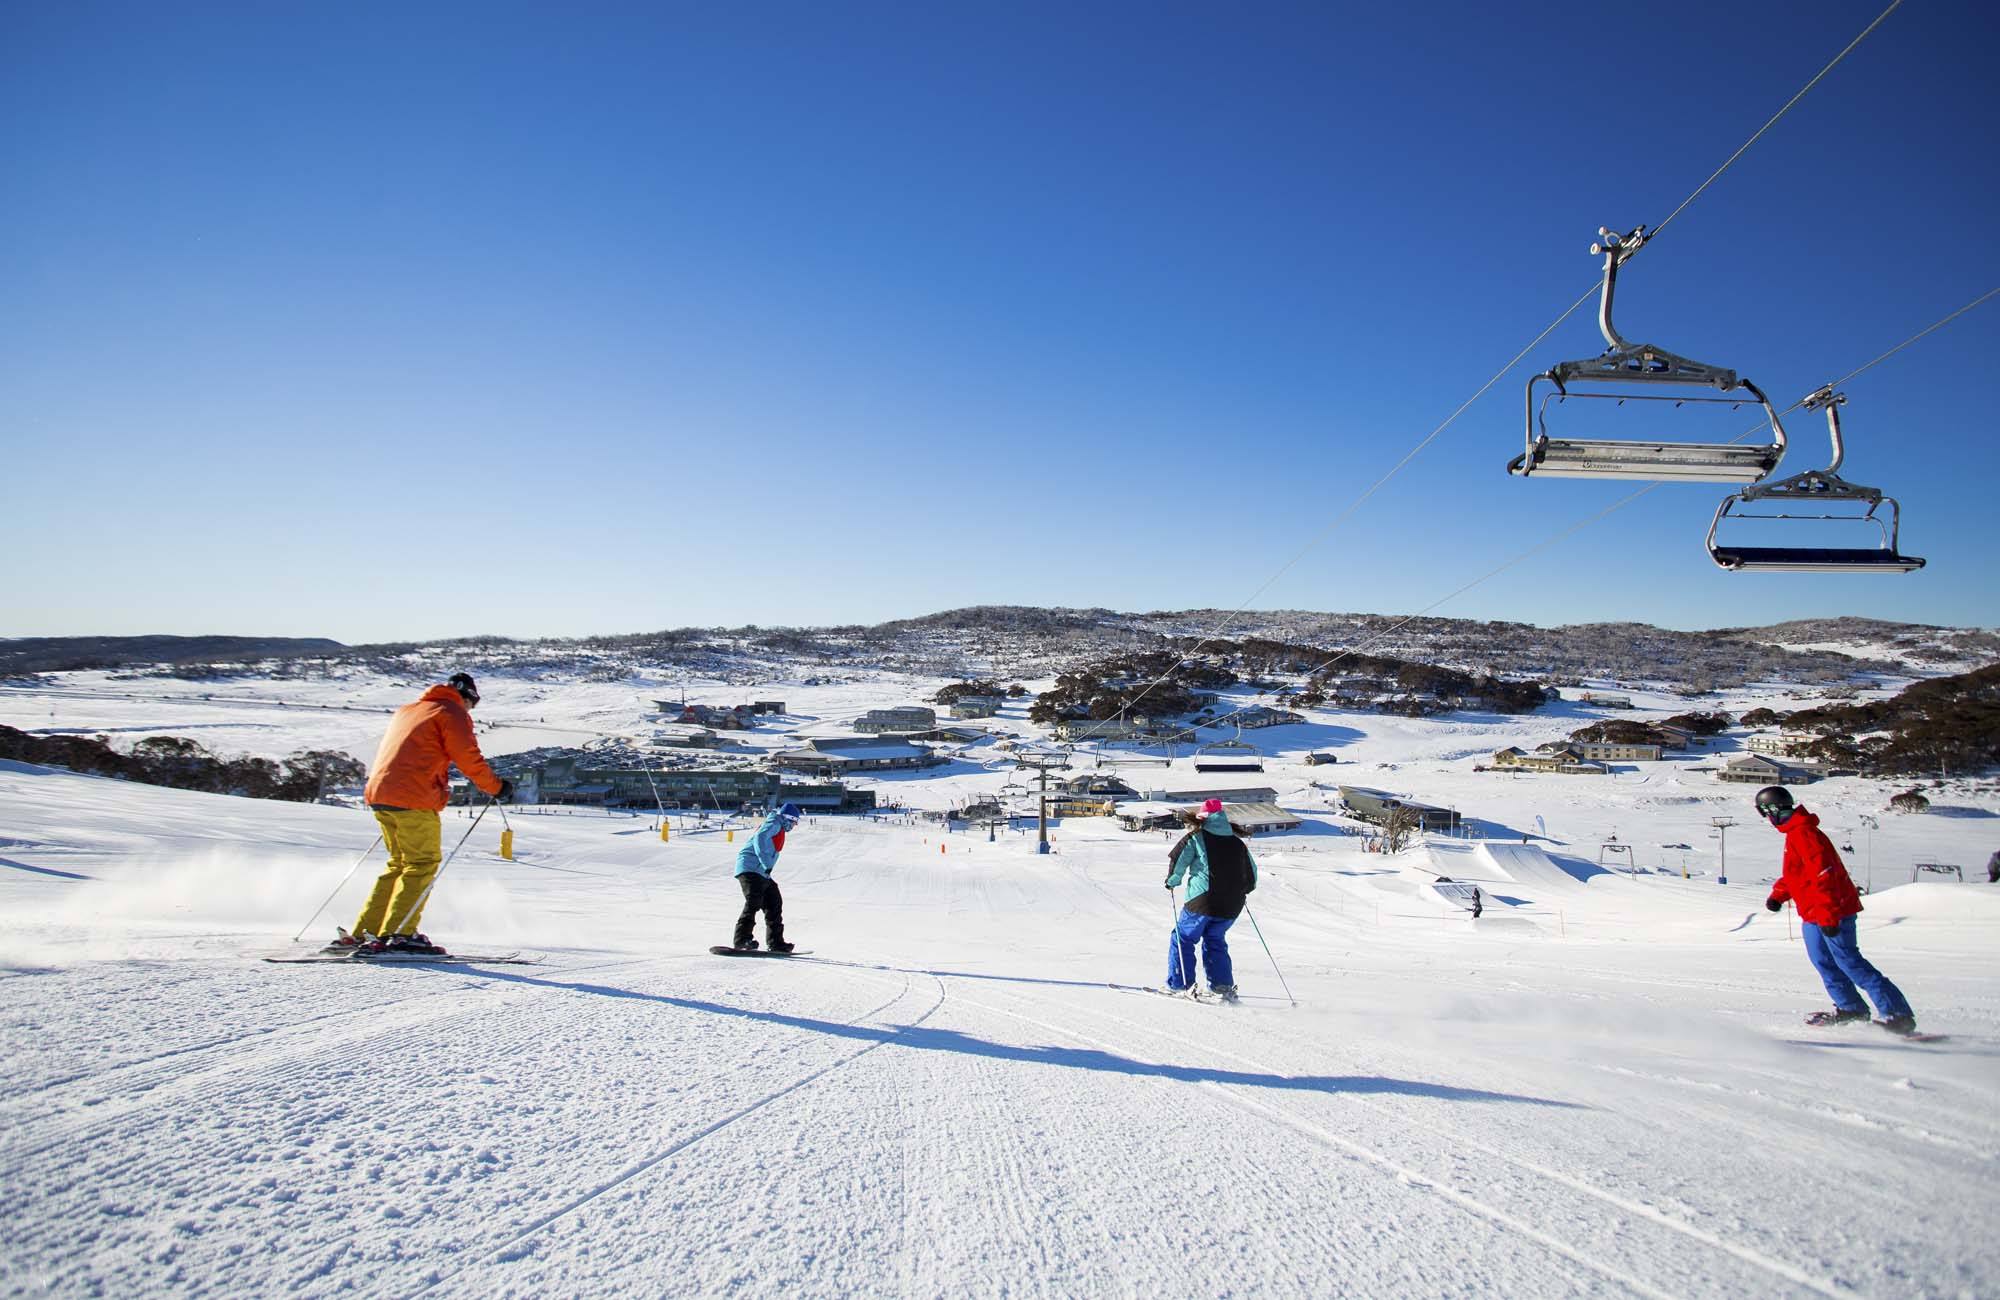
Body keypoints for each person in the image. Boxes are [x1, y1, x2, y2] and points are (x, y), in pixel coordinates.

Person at [329, 673, 511, 956]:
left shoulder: (409, 710)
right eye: (472, 704)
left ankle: (367, 931)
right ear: (468, 697)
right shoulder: (451, 712)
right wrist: (496, 787)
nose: (470, 710)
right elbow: (467, 757)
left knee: (398, 864)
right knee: (421, 863)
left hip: (381, 793)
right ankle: (399, 934)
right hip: (414, 796)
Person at [1758, 785, 1917, 1035]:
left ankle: (1898, 1014)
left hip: (1832, 911)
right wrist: (1779, 895)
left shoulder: (1804, 833)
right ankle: (1851, 1007)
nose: (1766, 818)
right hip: (1812, 913)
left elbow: (1824, 876)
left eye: (1764, 812)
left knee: (1850, 963)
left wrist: (1828, 915)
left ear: (1773, 809)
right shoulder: (1794, 833)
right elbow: (1797, 873)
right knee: (1823, 962)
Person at [1163, 799, 1257, 1000]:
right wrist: (1245, 889)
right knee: (1215, 939)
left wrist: (1172, 882)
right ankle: (1221, 987)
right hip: (1232, 904)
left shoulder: (1196, 837)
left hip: (1203, 900)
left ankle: (1179, 984)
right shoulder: (1237, 843)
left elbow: (1179, 859)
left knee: (1183, 938)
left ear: (1203, 818)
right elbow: (1252, 873)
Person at [732, 802, 802, 952]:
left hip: (761, 872)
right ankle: (742, 940)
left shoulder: (778, 825)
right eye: (794, 821)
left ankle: (776, 942)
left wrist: (766, 868)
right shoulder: (774, 822)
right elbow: (760, 838)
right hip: (750, 868)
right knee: (754, 901)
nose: (794, 825)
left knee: (774, 902)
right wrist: (766, 863)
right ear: (787, 818)